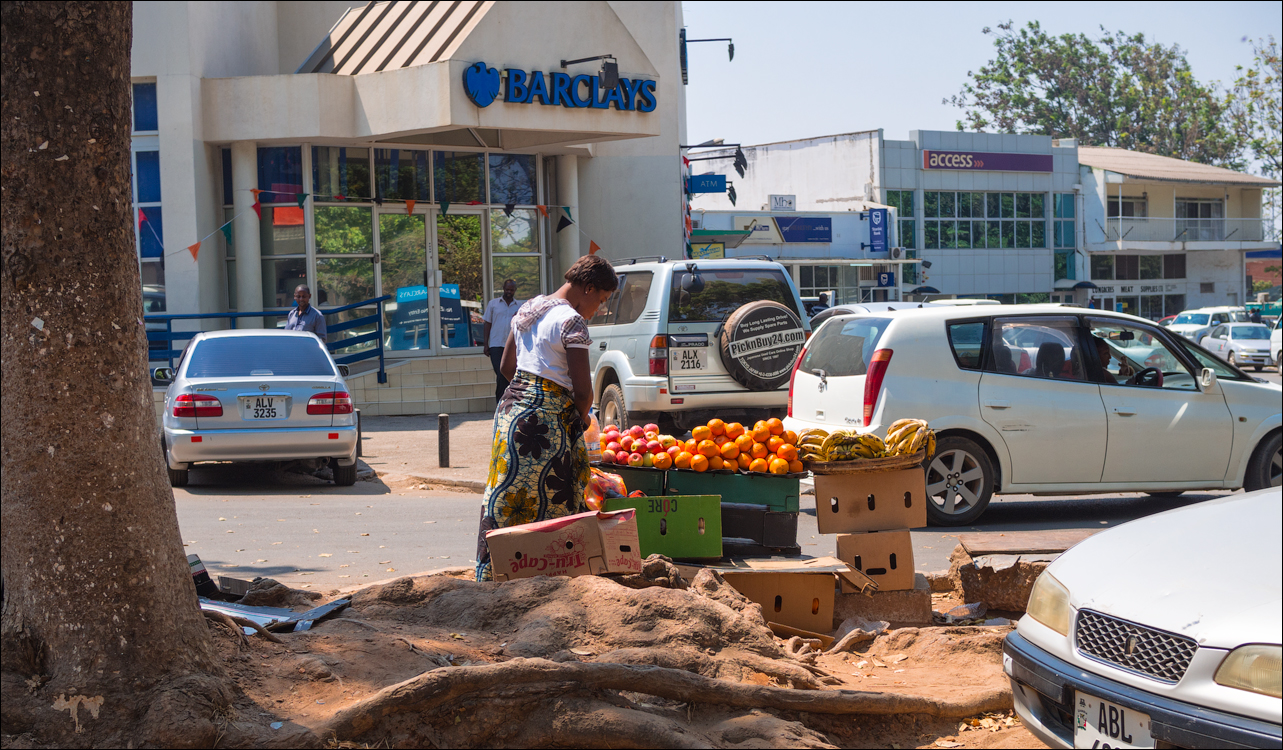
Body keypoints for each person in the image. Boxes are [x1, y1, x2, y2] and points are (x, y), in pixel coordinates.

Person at [474, 256, 618, 582]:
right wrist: (579, 417)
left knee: (506, 498)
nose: (599, 308)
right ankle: (549, 585)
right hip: (545, 424)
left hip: (511, 414)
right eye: (601, 300)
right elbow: (583, 392)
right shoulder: (572, 322)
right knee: (554, 502)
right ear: (589, 288)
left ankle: (494, 577)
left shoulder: (528, 308)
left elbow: (507, 368)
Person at [482, 279, 521, 402]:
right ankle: (502, 401)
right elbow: (487, 324)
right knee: (501, 373)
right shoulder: (493, 304)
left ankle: (505, 402)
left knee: (507, 374)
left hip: (511, 346)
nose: (509, 292)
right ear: (503, 289)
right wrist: (485, 344)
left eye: (511, 290)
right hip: (496, 345)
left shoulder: (519, 306)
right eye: (507, 289)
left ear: (514, 290)